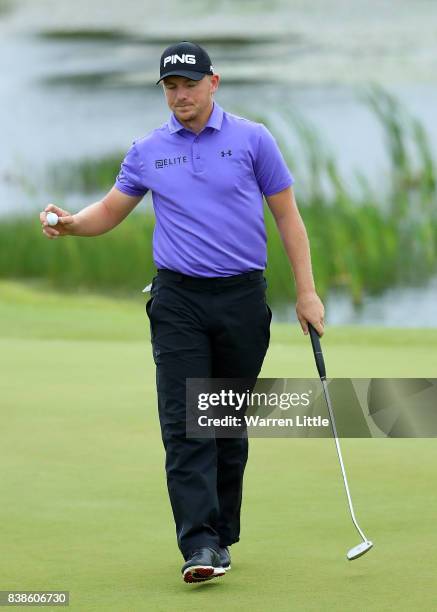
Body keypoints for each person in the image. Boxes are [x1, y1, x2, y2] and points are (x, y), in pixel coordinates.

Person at [40, 41, 325, 584]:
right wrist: (71, 222)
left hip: (242, 297)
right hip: (177, 300)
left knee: (225, 422)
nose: (180, 96)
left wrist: (306, 293)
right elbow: (109, 210)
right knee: (184, 421)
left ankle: (220, 536)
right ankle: (198, 544)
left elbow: (288, 217)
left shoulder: (252, 139)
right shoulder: (147, 150)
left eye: (189, 85)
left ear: (213, 83)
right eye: (171, 87)